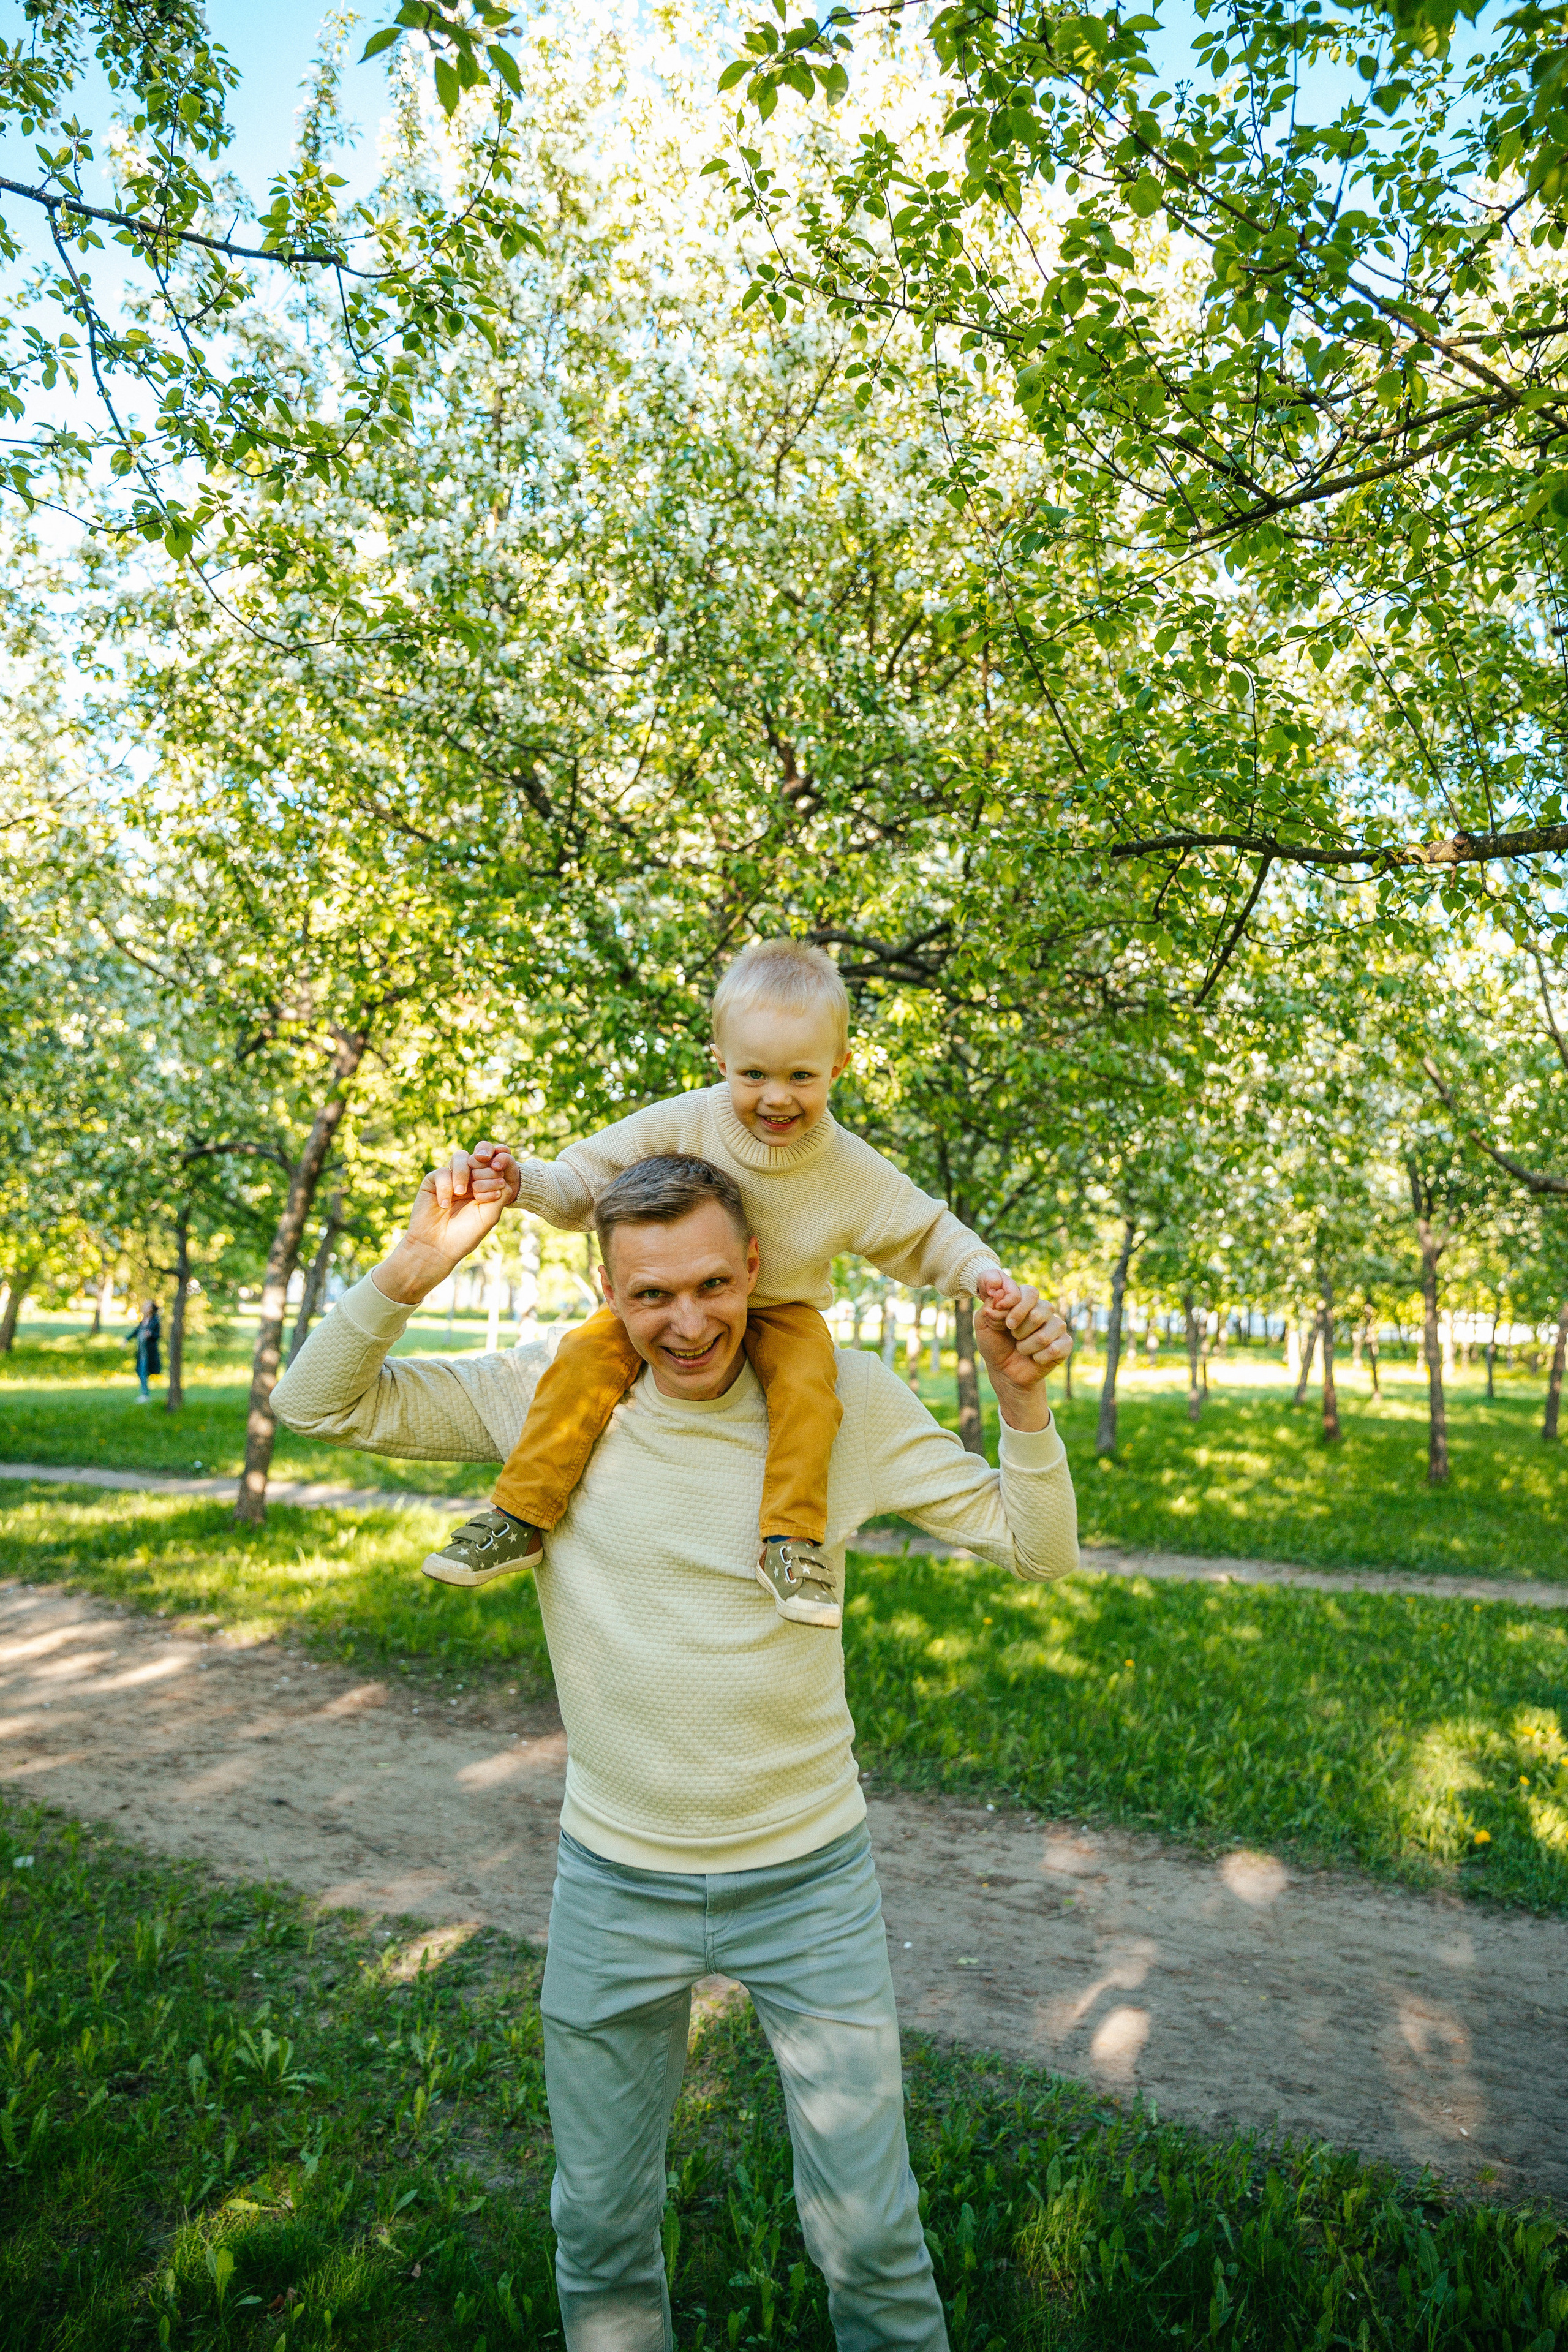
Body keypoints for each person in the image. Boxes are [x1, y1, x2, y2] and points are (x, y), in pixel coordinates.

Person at [272, 1148, 1076, 2352]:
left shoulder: (842, 1398)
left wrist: (1022, 1404)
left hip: (810, 1883)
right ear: (608, 1289)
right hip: (613, 1885)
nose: (687, 1323)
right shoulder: (546, 1394)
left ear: (754, 1264)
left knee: (870, 2232)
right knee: (597, 2221)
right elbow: (316, 1404)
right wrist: (417, 1261)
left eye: (710, 1284)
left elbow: (1038, 1547)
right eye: (648, 1296)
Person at [419, 937, 1027, 1629]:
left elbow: (924, 1232)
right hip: (679, 1296)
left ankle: (791, 1542)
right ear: (722, 1064)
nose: (776, 1098)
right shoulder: (684, 1120)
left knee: (808, 1391)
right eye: (753, 1075)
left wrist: (985, 1279)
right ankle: (520, 1516)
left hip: (783, 1308)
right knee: (583, 1358)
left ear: (838, 1066)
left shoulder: (848, 1168)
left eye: (801, 1077)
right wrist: (524, 1180)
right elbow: (587, 1181)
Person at [129, 1300, 161, 1402]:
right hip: (142, 1351)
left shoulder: (155, 1320)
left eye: (147, 1306)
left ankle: (145, 1395)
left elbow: (158, 1335)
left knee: (143, 1372)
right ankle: (144, 1393)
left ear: (151, 1308)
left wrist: (150, 1334)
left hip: (149, 1352)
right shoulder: (144, 1320)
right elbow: (136, 1331)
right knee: (140, 1371)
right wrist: (126, 1339)